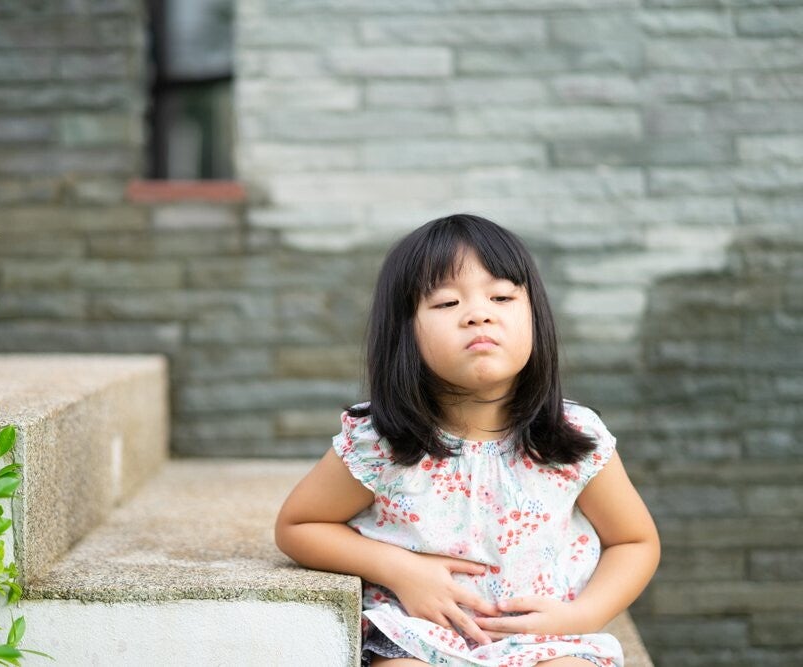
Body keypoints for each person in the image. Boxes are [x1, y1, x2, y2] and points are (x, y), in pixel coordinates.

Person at [275, 214, 660, 667]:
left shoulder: (572, 436)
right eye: (446, 303)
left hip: (544, 639)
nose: (479, 313)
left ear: (535, 316)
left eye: (501, 296)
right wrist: (400, 570)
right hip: (421, 638)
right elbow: (298, 527)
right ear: (406, 332)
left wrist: (582, 615)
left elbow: (634, 542)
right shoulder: (383, 444)